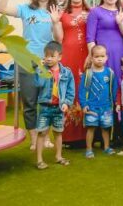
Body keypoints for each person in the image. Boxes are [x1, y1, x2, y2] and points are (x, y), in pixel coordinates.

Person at [0, 0, 61, 150]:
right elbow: (1, 8)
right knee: (29, 102)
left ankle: (45, 138)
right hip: (26, 61)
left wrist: (56, 22)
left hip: (47, 62)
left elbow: (59, 38)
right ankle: (34, 140)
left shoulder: (55, 11)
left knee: (47, 102)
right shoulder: (26, 9)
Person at [56, 0, 90, 143]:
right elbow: (58, 38)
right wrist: (55, 21)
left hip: (87, 55)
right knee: (70, 88)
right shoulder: (62, 12)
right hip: (69, 54)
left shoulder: (92, 11)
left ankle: (88, 134)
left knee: (87, 88)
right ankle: (69, 135)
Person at [33, 41, 74, 170]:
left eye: (52, 56)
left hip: (58, 108)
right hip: (45, 107)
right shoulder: (42, 71)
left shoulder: (67, 73)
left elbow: (70, 91)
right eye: (46, 56)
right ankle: (39, 160)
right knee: (42, 133)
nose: (49, 59)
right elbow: (37, 85)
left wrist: (67, 103)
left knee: (58, 133)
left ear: (59, 57)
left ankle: (58, 156)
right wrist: (39, 69)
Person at [87, 0, 123, 86]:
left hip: (120, 52)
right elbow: (90, 38)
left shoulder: (122, 11)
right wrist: (94, 57)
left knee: (119, 81)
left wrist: (120, 23)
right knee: (103, 82)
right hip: (102, 55)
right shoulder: (95, 11)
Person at [78, 44, 117, 158]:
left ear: (106, 57)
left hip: (106, 106)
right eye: (96, 56)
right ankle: (89, 149)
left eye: (102, 56)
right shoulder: (88, 73)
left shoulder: (109, 72)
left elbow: (113, 88)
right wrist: (84, 104)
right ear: (91, 58)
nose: (100, 58)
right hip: (92, 107)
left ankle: (106, 147)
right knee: (91, 128)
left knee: (106, 128)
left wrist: (113, 102)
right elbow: (82, 90)